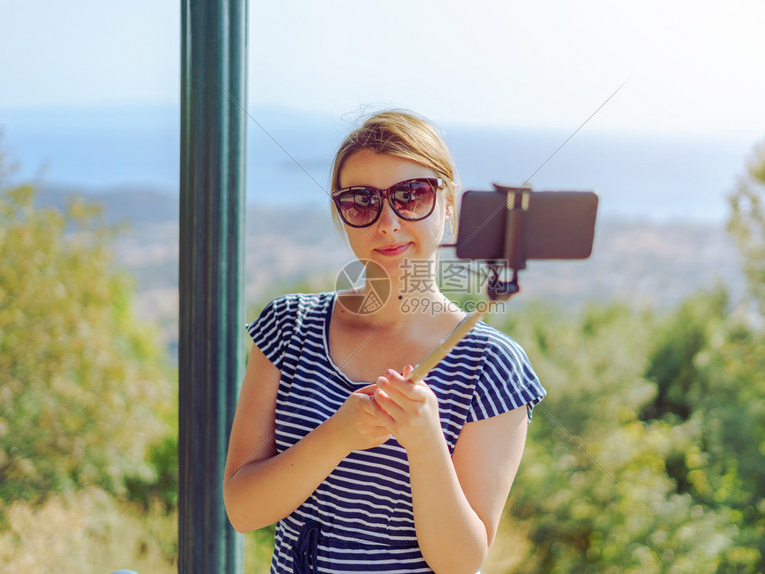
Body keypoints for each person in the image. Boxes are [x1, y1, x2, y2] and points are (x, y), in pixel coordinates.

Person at [223, 110, 546, 573]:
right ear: (342, 214)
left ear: (449, 203)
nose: (387, 223)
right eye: (360, 202)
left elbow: (460, 563)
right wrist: (337, 436)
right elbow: (242, 509)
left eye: (411, 196)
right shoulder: (288, 328)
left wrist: (425, 439)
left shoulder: (491, 365)